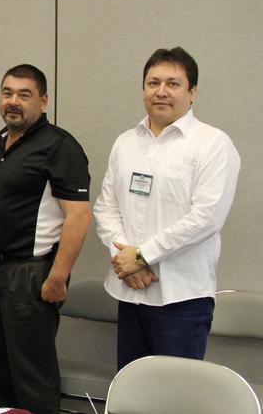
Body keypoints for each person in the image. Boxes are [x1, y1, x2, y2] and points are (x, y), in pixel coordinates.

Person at [93, 47, 240, 369]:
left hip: (181, 298)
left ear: (192, 92)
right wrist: (126, 260)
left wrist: (142, 256)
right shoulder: (126, 142)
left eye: (173, 84)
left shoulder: (212, 144)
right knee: (133, 393)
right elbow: (105, 207)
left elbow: (206, 218)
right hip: (129, 291)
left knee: (176, 397)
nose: (161, 92)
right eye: (153, 82)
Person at [0, 64, 92, 414]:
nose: (14, 101)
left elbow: (79, 215)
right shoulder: (0, 145)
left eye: (24, 95)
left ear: (43, 101)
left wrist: (57, 277)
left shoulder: (59, 146)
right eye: (7, 93)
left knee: (32, 378)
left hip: (30, 276)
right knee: (1, 371)